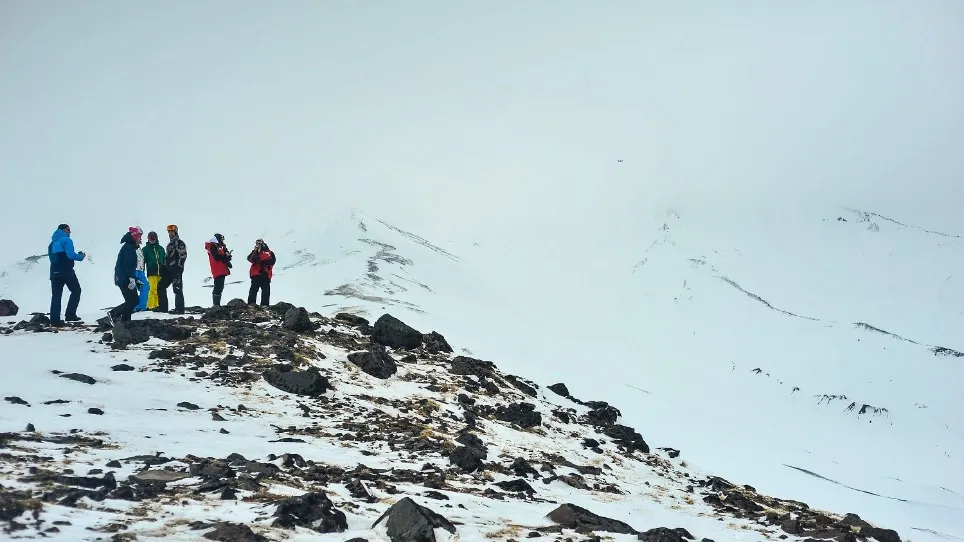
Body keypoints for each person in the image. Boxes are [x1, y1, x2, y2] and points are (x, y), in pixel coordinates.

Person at [48, 223, 86, 326]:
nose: (70, 231)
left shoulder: (52, 243)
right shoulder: (66, 240)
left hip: (54, 271)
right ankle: (70, 315)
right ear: (63, 230)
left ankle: (54, 320)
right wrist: (81, 256)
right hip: (66, 270)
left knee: (56, 295)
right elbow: (70, 255)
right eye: (68, 229)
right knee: (76, 290)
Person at [107, 227, 143, 324]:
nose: (141, 239)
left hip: (123, 278)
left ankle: (125, 321)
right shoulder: (129, 248)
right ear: (135, 237)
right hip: (125, 279)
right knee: (133, 300)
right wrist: (131, 278)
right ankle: (114, 314)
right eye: (140, 237)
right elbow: (129, 264)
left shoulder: (127, 246)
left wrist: (135, 279)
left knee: (131, 300)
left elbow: (126, 265)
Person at [157, 224, 187, 314]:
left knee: (177, 288)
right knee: (161, 286)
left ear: (175, 232)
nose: (170, 233)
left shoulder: (179, 243)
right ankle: (163, 307)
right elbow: (168, 257)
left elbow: (183, 255)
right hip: (168, 270)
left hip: (176, 270)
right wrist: (163, 267)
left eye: (172, 232)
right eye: (169, 232)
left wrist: (179, 266)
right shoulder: (169, 244)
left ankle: (180, 309)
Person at [204, 233, 232, 306]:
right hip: (217, 269)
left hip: (221, 269)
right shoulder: (213, 246)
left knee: (220, 286)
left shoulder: (219, 246)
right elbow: (216, 257)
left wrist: (227, 259)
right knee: (218, 286)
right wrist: (225, 256)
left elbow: (220, 257)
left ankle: (216, 304)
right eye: (221, 239)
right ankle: (216, 304)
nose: (222, 241)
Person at [247, 238, 276, 306]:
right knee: (253, 290)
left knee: (265, 291)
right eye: (257, 243)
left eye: (259, 243)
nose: (258, 244)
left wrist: (264, 263)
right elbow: (250, 259)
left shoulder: (269, 252)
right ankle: (251, 304)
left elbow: (272, 261)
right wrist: (255, 251)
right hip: (256, 274)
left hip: (265, 274)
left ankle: (264, 305)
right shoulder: (255, 252)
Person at [142, 231, 164, 310]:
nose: (151, 240)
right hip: (152, 272)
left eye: (153, 238)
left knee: (159, 290)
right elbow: (142, 261)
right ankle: (150, 306)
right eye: (150, 238)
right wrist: (142, 272)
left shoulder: (161, 249)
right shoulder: (145, 249)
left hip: (161, 272)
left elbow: (164, 260)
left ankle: (157, 305)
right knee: (153, 289)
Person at [133, 235, 149, 312]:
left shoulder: (139, 249)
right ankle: (134, 306)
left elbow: (142, 260)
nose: (140, 239)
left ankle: (142, 305)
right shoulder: (130, 247)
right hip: (133, 270)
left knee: (145, 286)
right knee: (133, 289)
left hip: (140, 271)